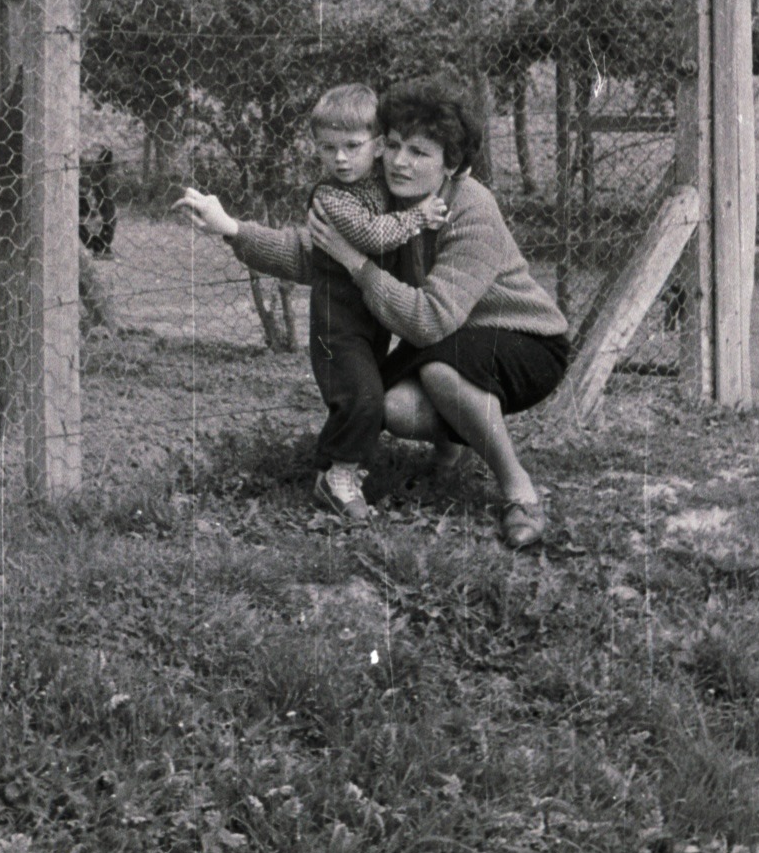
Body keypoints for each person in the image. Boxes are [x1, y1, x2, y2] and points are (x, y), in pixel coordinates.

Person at [176, 75, 570, 549]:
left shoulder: (471, 209)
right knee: (390, 406)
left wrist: (357, 263)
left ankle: (518, 490)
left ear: (453, 164)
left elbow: (428, 320)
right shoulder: (379, 198)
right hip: (449, 339)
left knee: (444, 372)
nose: (401, 162)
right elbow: (309, 254)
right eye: (396, 145)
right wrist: (232, 229)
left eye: (421, 153)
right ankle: (452, 451)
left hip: (522, 340)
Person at [297, 83, 448, 521]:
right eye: (328, 148)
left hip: (373, 319)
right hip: (336, 320)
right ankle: (338, 477)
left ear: (379, 146)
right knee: (361, 395)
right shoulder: (331, 198)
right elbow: (372, 235)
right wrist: (419, 216)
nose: (340, 158)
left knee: (366, 392)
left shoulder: (383, 183)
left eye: (352, 146)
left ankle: (332, 463)